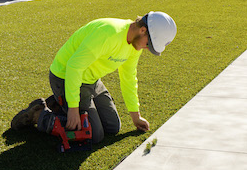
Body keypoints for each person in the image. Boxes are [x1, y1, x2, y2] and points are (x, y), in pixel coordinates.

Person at [11, 11, 177, 144]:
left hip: (91, 79)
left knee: (112, 127)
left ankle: (60, 103)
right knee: (91, 133)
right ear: (143, 30)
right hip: (65, 75)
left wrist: (136, 116)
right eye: (149, 44)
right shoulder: (108, 33)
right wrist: (74, 110)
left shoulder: (135, 46)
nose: (147, 49)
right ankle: (39, 114)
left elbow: (128, 78)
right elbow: (74, 67)